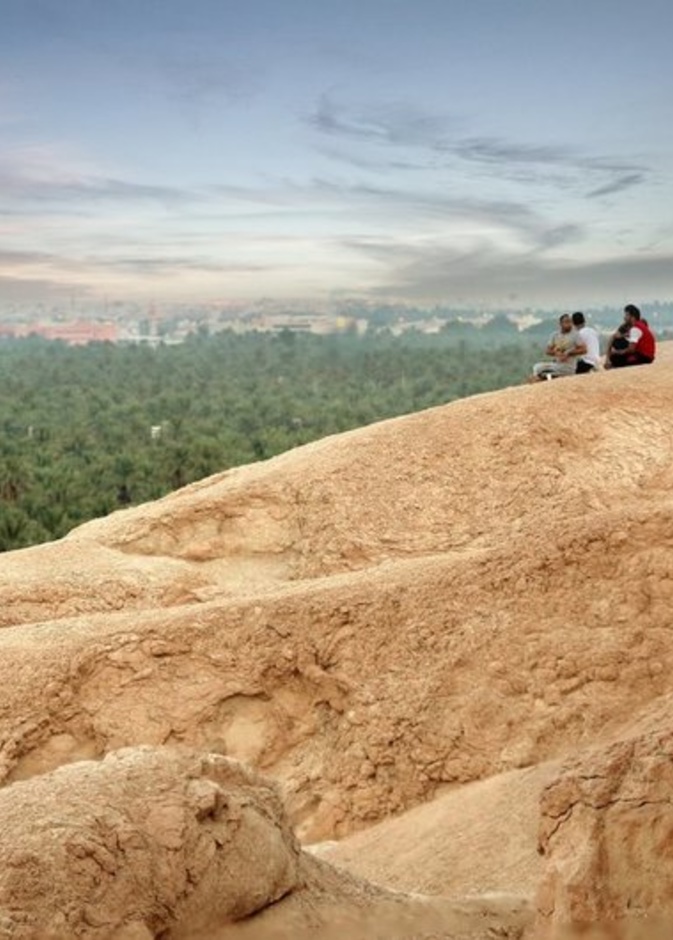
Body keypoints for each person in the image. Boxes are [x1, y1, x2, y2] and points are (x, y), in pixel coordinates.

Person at [530, 313, 578, 381]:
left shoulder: (575, 335)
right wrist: (556, 353)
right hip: (557, 365)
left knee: (542, 373)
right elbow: (548, 351)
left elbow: (583, 349)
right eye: (566, 322)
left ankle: (548, 380)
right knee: (537, 367)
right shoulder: (555, 335)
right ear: (561, 324)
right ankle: (546, 378)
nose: (569, 324)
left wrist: (569, 353)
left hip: (568, 367)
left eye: (570, 322)